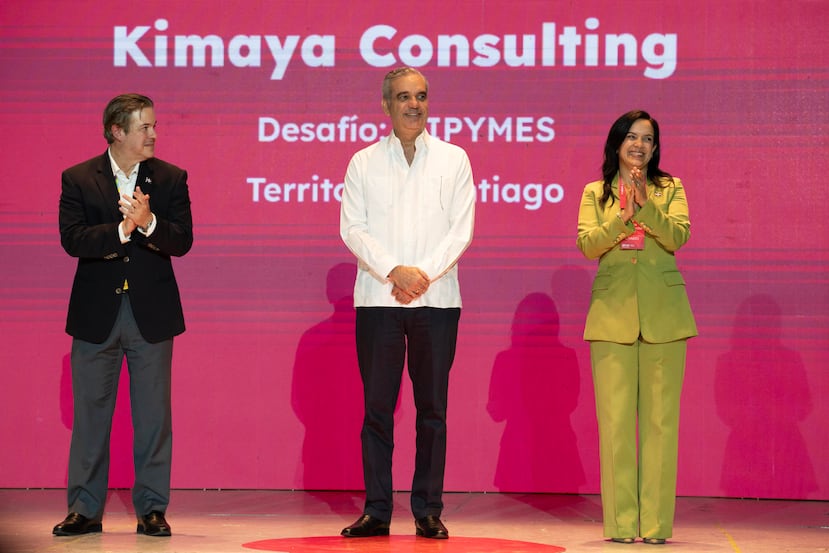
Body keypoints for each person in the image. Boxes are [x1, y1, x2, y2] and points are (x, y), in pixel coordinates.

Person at [339, 67, 475, 540]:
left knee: (432, 410)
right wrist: (396, 271)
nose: (413, 105)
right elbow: (353, 228)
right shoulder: (363, 162)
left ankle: (428, 509)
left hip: (437, 302)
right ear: (386, 105)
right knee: (377, 409)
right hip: (378, 299)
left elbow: (461, 229)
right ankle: (377, 509)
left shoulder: (455, 159)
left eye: (420, 96)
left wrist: (421, 277)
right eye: (403, 97)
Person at [53, 93, 193, 537]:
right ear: (117, 131)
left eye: (154, 125)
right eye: (144, 127)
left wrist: (149, 224)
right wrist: (121, 230)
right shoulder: (78, 178)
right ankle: (85, 510)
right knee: (91, 416)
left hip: (150, 315)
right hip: (98, 314)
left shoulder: (170, 178)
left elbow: (183, 240)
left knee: (154, 418)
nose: (153, 134)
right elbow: (73, 240)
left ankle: (152, 509)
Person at [576, 110, 697, 545]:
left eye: (648, 138)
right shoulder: (595, 192)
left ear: (655, 148)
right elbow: (588, 244)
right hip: (611, 316)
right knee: (615, 427)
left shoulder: (671, 188)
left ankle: (657, 526)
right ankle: (623, 525)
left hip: (665, 316)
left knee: (662, 425)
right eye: (631, 137)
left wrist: (647, 206)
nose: (639, 145)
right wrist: (622, 216)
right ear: (616, 143)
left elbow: (678, 237)